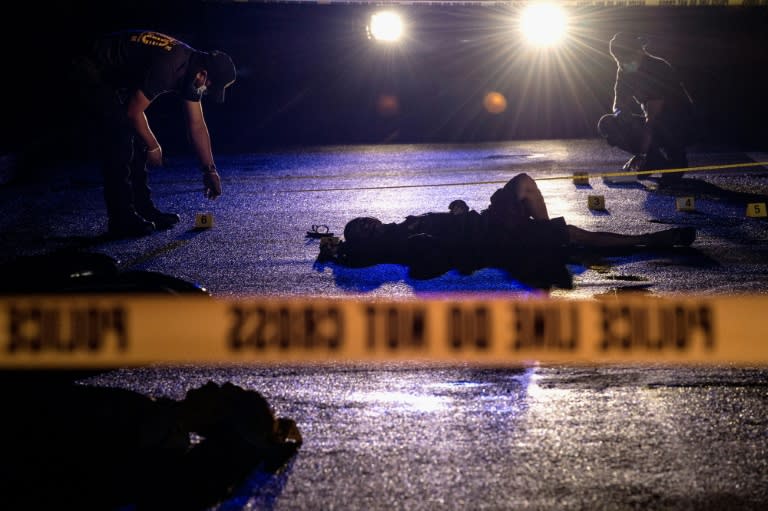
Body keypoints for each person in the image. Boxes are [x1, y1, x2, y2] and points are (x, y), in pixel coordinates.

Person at [318, 173, 696, 283]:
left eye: (363, 220)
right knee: (574, 233)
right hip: (489, 239)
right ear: (367, 241)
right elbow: (356, 257)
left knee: (523, 184)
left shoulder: (400, 224)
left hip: (482, 220)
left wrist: (457, 208)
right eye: (361, 229)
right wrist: (337, 250)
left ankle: (549, 236)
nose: (367, 224)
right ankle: (652, 240)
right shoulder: (393, 244)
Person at [69, 30, 237, 237]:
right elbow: (133, 111)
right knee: (121, 133)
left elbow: (197, 125)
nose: (206, 91)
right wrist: (153, 146)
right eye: (210, 86)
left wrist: (209, 170)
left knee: (137, 132)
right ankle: (121, 219)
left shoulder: (193, 71)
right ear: (203, 74)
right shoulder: (171, 65)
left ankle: (143, 209)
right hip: (89, 66)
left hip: (113, 74)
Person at [597, 32, 697, 185]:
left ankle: (673, 159)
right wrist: (621, 114)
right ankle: (654, 160)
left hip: (678, 124)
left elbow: (653, 119)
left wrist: (643, 152)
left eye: (626, 59)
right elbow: (618, 102)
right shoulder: (624, 70)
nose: (623, 63)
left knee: (662, 127)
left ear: (639, 51)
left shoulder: (657, 67)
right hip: (654, 120)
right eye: (619, 60)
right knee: (608, 123)